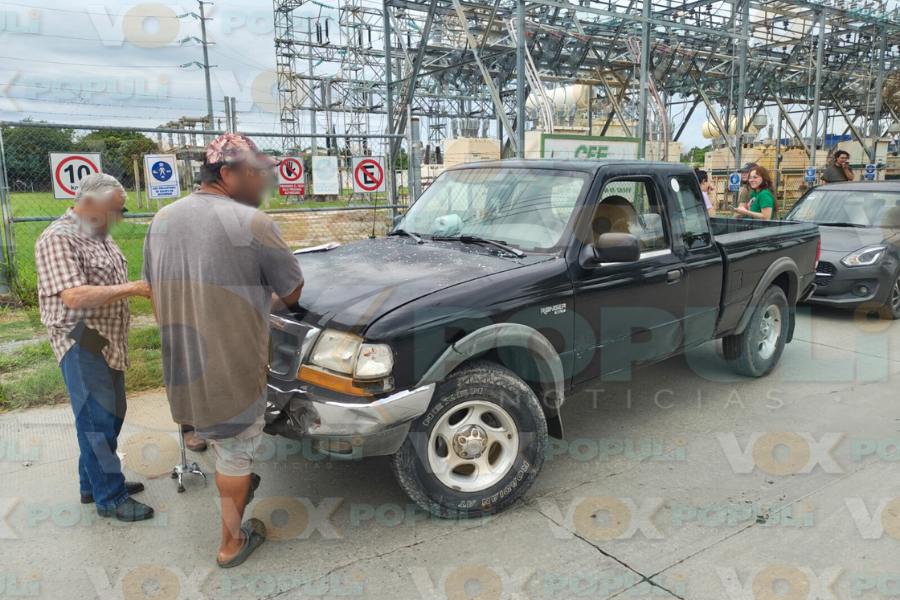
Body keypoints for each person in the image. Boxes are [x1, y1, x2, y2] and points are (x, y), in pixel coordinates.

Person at [143, 133, 303, 568]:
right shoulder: (253, 223)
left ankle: (216, 458)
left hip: (181, 357)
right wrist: (256, 305)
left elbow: (155, 292)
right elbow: (292, 292)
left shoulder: (163, 218)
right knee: (236, 451)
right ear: (228, 173)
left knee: (207, 427)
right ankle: (231, 544)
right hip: (230, 362)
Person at [34, 173, 155, 522]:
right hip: (80, 335)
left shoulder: (99, 236)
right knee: (97, 418)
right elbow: (73, 296)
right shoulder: (58, 238)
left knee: (111, 413)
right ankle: (110, 497)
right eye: (113, 210)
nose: (118, 218)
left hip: (106, 336)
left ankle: (93, 482)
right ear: (88, 203)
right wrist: (134, 288)